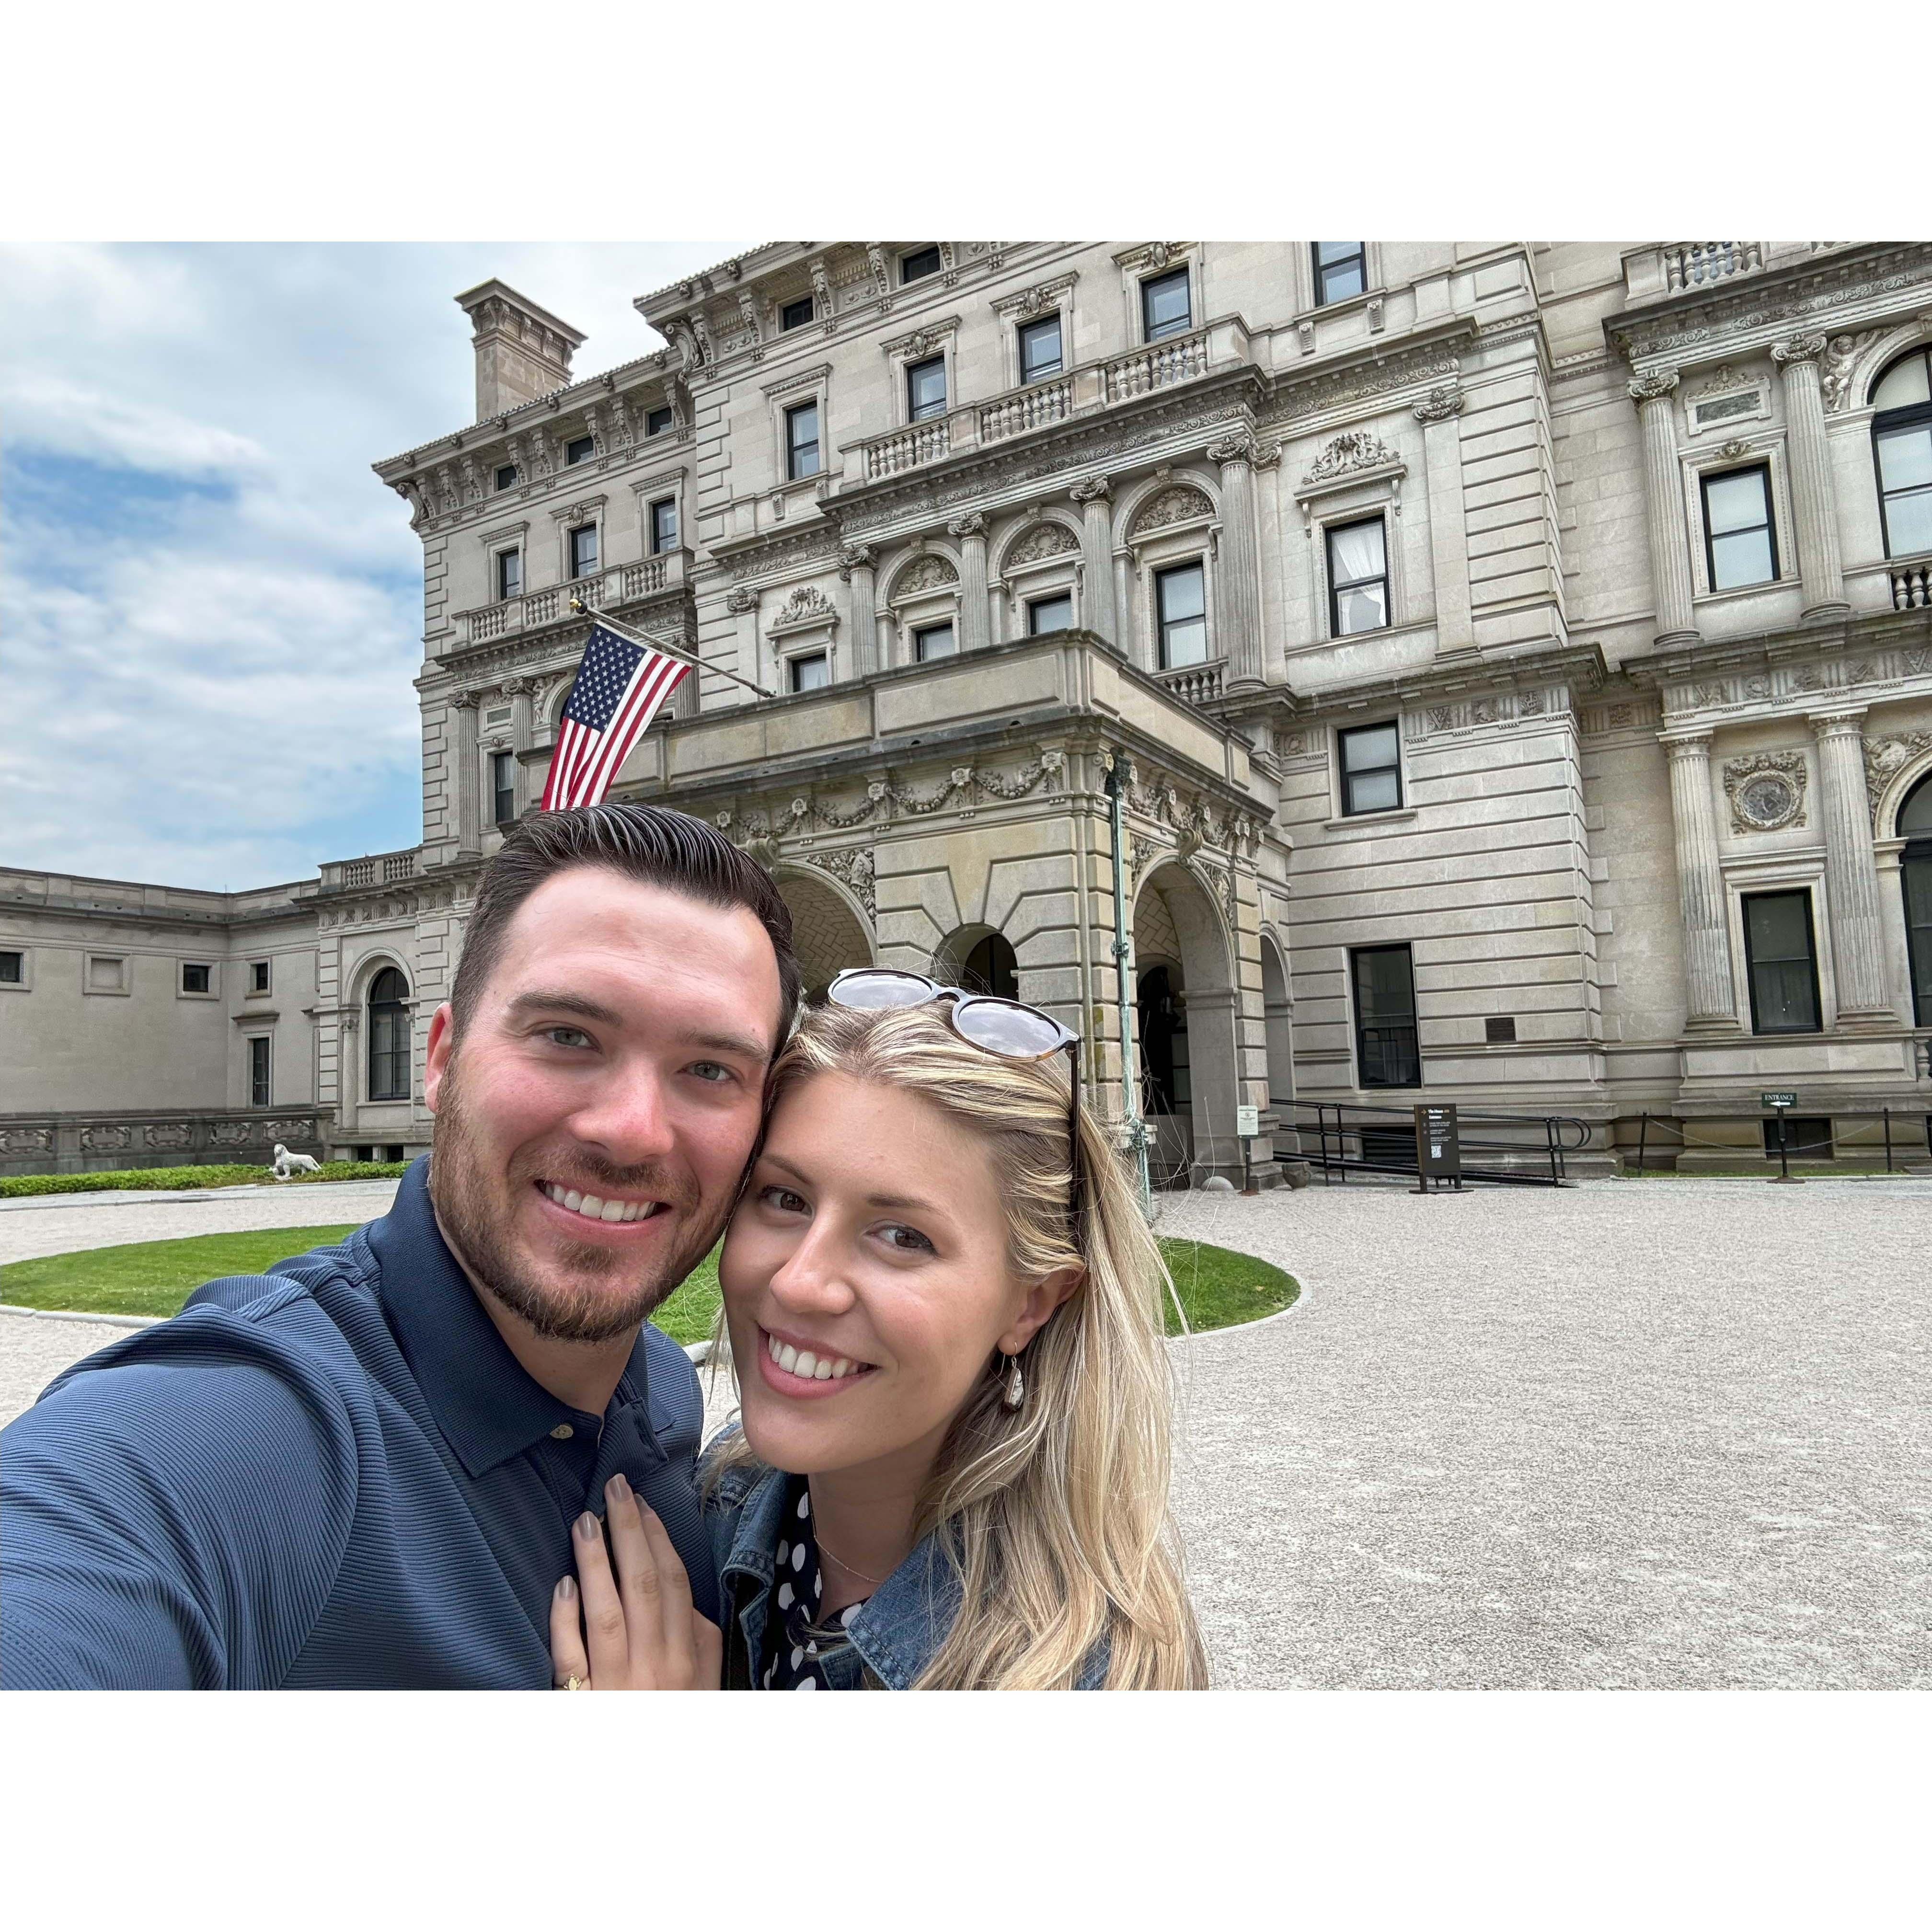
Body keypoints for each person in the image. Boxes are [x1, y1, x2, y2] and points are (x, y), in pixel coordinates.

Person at [0, 805, 799, 1689]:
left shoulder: (663, 1388)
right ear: (443, 1059)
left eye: (711, 1070)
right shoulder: (229, 1440)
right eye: (568, 1036)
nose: (633, 1133)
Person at [548, 972, 1209, 1690]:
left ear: (1031, 1305)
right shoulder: (721, 1502)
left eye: (902, 1236)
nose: (800, 1281)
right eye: (786, 1198)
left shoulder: (1085, 1678)